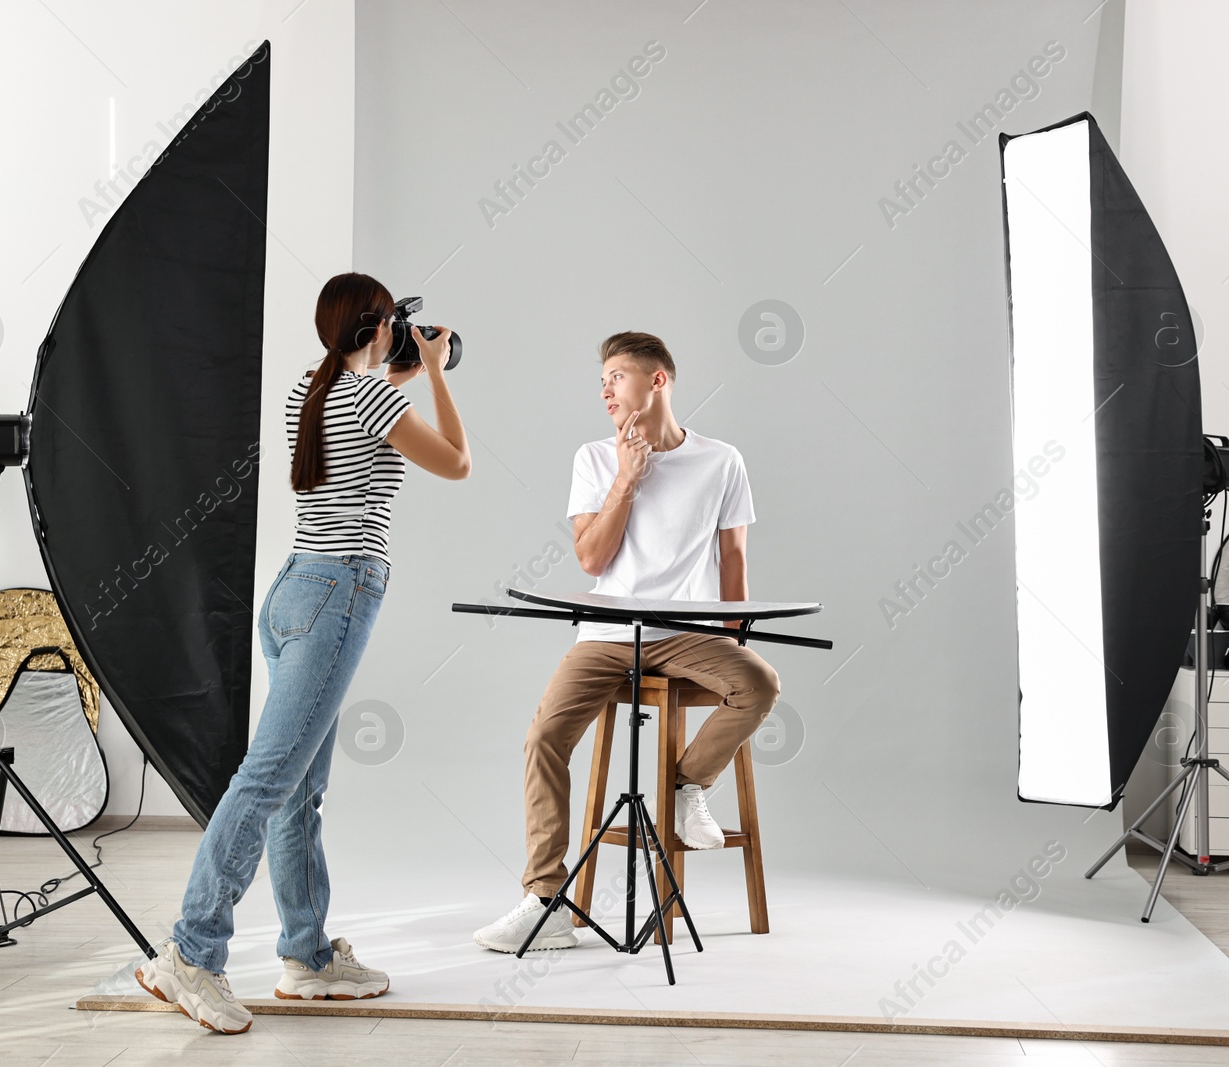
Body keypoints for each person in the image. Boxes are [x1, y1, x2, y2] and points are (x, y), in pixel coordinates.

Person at [137, 272, 471, 1033]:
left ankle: (307, 956)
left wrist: (395, 369)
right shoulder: (377, 400)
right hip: (339, 594)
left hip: (292, 591)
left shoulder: (310, 391)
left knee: (296, 789)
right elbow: (456, 460)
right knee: (266, 780)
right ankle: (191, 950)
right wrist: (438, 378)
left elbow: (360, 414)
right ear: (382, 325)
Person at [472, 331, 780, 954]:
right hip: (608, 635)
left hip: (682, 635)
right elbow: (590, 559)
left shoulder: (723, 461)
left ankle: (685, 787)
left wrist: (733, 634)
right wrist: (628, 478)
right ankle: (545, 901)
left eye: (617, 376)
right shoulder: (594, 457)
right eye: (603, 380)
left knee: (758, 684)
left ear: (657, 380)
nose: (606, 390)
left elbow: (734, 560)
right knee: (544, 739)